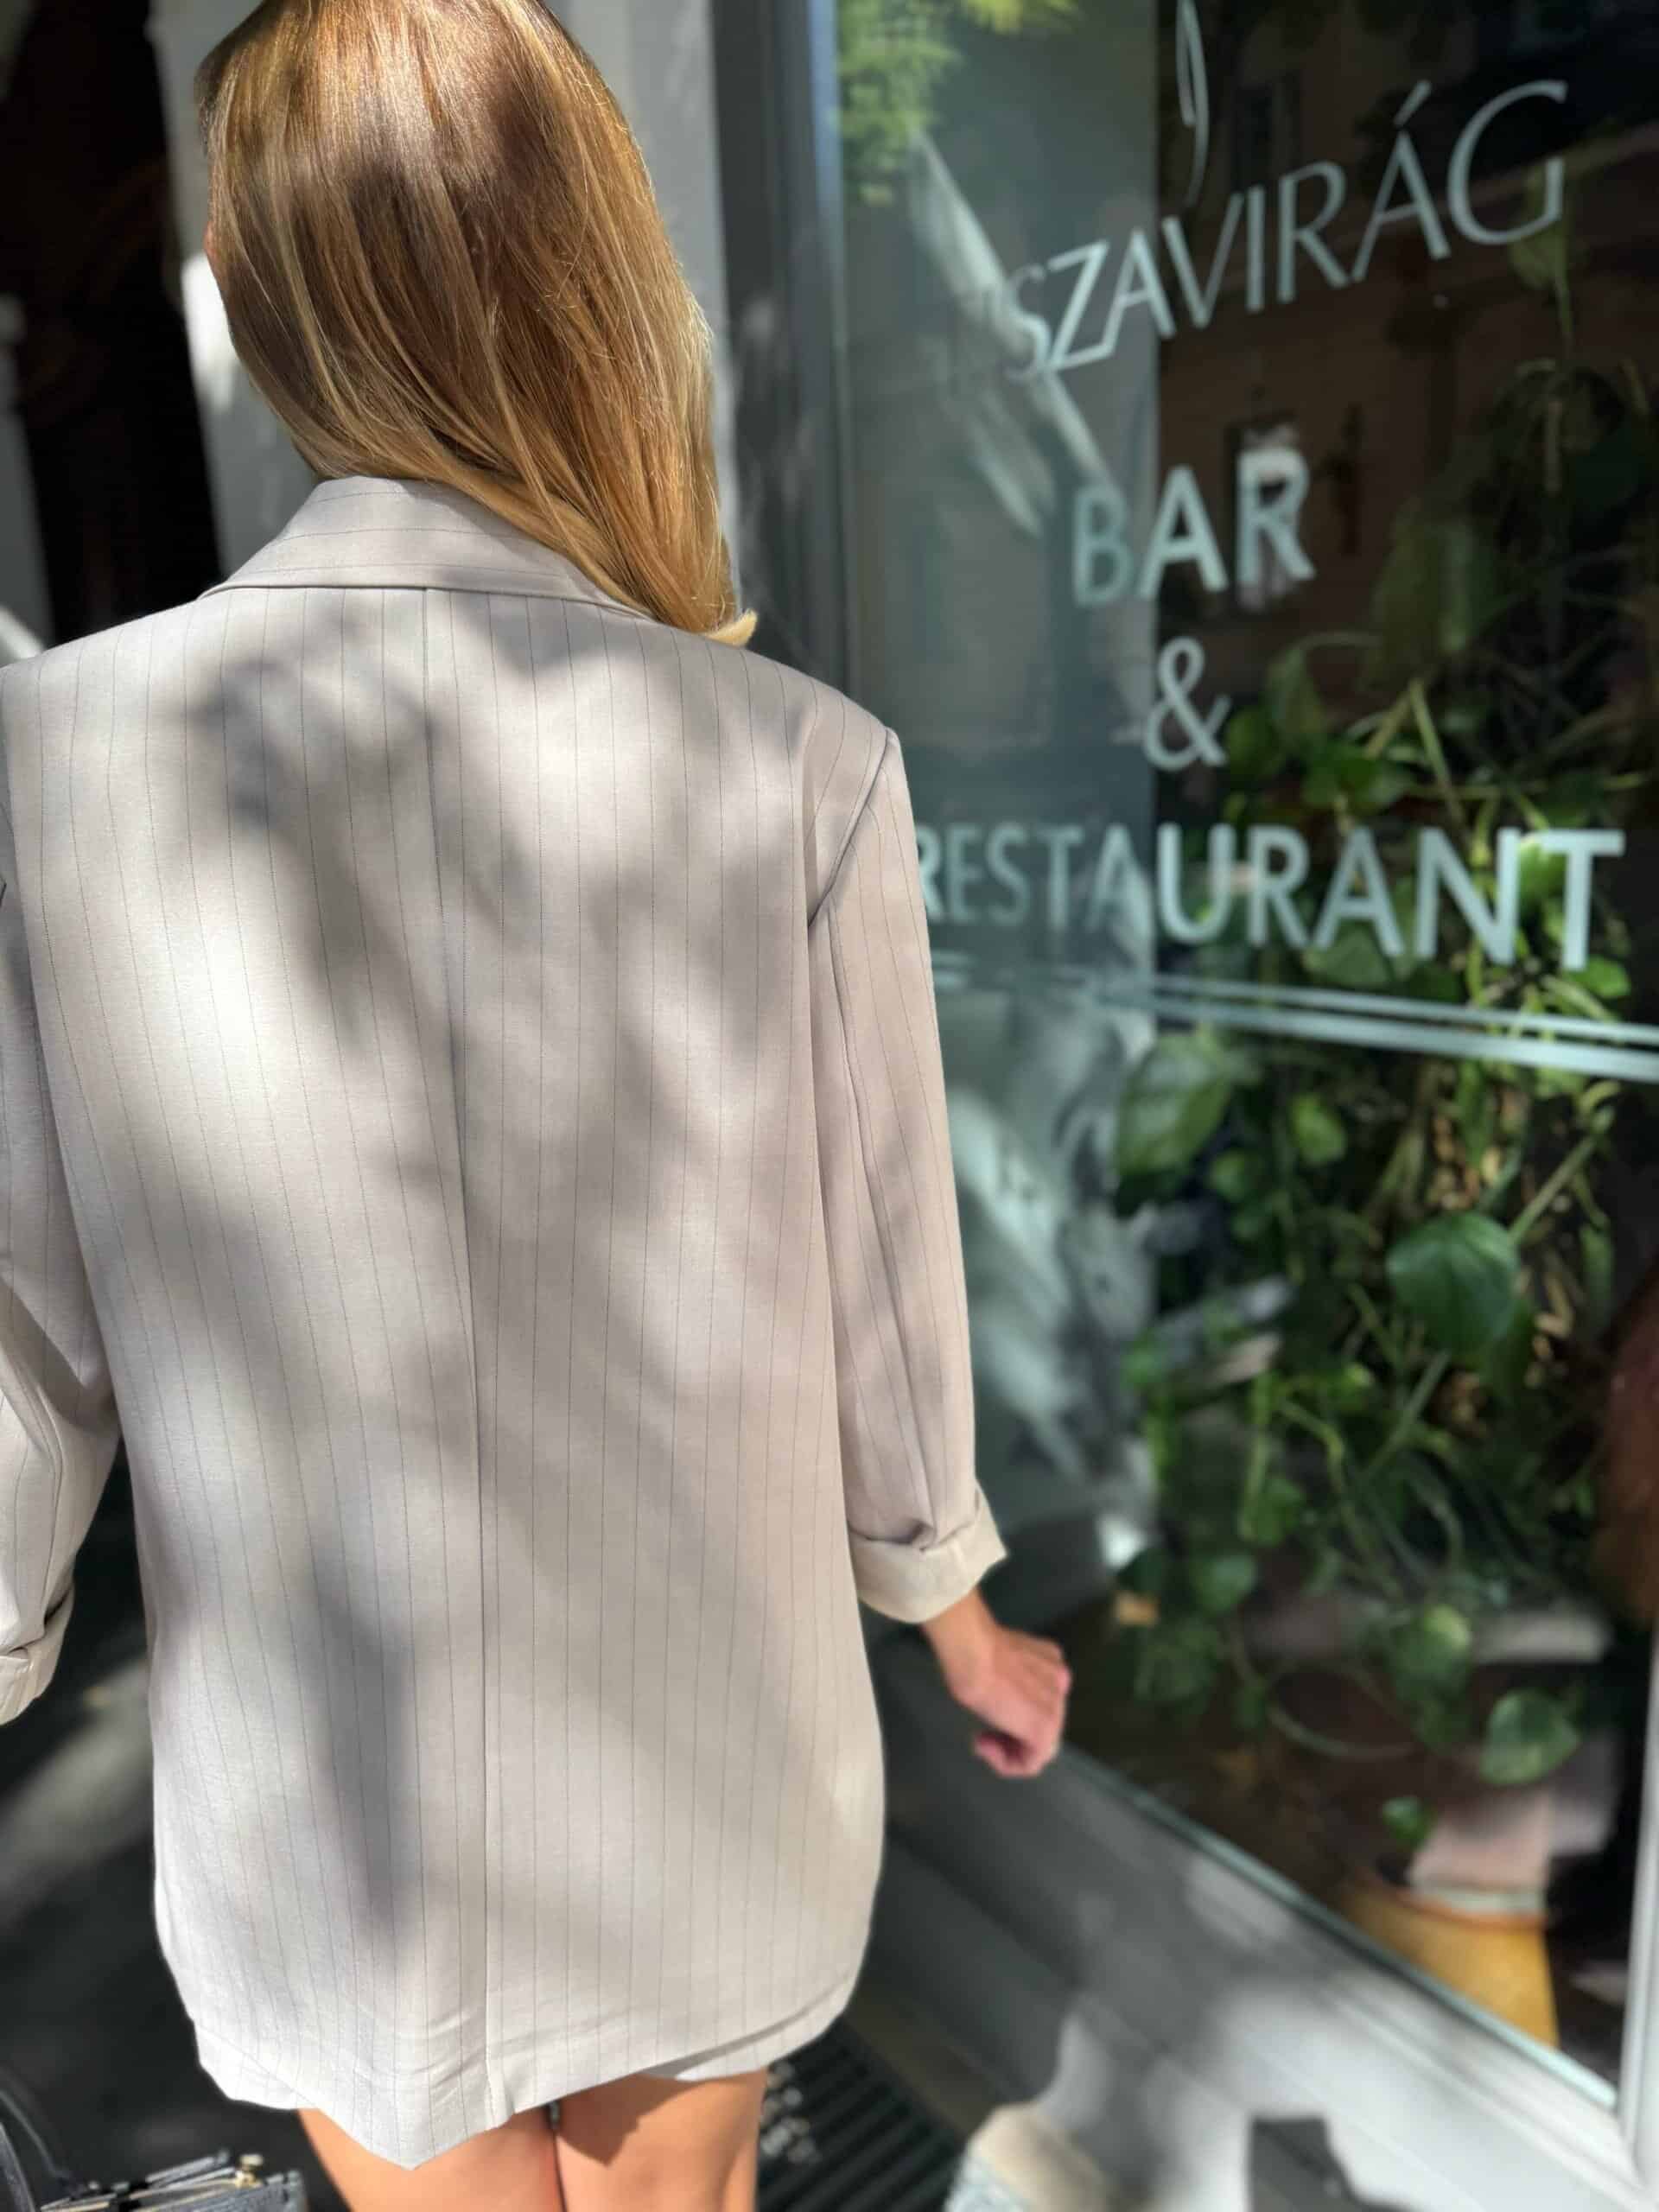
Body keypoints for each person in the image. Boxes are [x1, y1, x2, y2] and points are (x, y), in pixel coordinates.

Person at [0, 3, 1071, 2208]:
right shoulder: (802, 760)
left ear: (261, 290)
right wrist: (961, 1614)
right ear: (592, 263)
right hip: (711, 1753)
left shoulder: (59, 762)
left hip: (328, 1805)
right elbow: (887, 1312)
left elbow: (24, 1340)